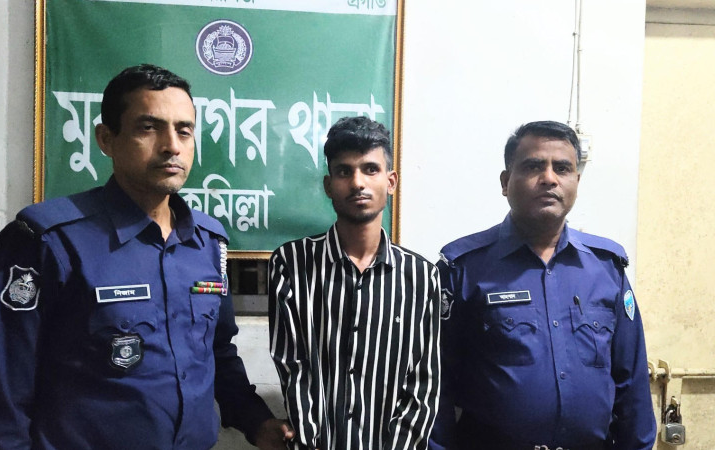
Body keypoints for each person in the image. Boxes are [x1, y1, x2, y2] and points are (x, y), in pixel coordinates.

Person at [0, 64, 293, 449]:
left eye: (184, 130)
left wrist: (257, 422)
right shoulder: (49, 239)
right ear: (106, 139)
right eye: (148, 127)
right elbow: (2, 395)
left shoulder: (207, 241)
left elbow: (217, 353)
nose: (171, 145)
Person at [429, 121, 655, 450]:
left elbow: (632, 383)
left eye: (562, 168)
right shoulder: (463, 268)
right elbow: (435, 385)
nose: (549, 178)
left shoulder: (606, 268)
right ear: (505, 182)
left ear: (576, 182)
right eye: (533, 166)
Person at [268, 116, 441, 450]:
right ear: (328, 184)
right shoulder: (291, 264)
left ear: (391, 181)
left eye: (370, 169)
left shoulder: (422, 276)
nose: (358, 182)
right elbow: (293, 369)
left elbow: (423, 384)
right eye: (344, 171)